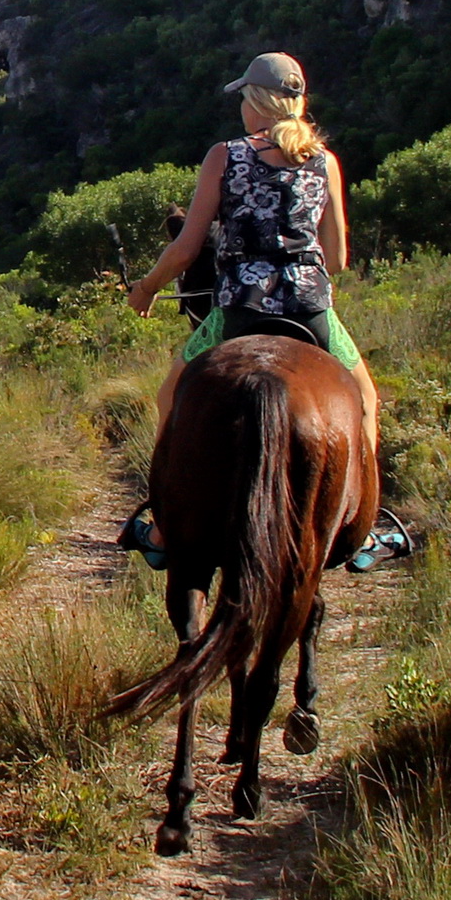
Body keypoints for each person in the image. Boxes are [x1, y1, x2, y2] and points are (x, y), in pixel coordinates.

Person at [122, 52, 397, 552]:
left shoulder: (225, 156)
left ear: (255, 102)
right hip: (310, 309)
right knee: (364, 400)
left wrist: (146, 288)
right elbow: (337, 259)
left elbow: (186, 249)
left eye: (244, 100)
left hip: (239, 309)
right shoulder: (325, 162)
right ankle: (364, 528)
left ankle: (163, 523)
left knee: (171, 395)